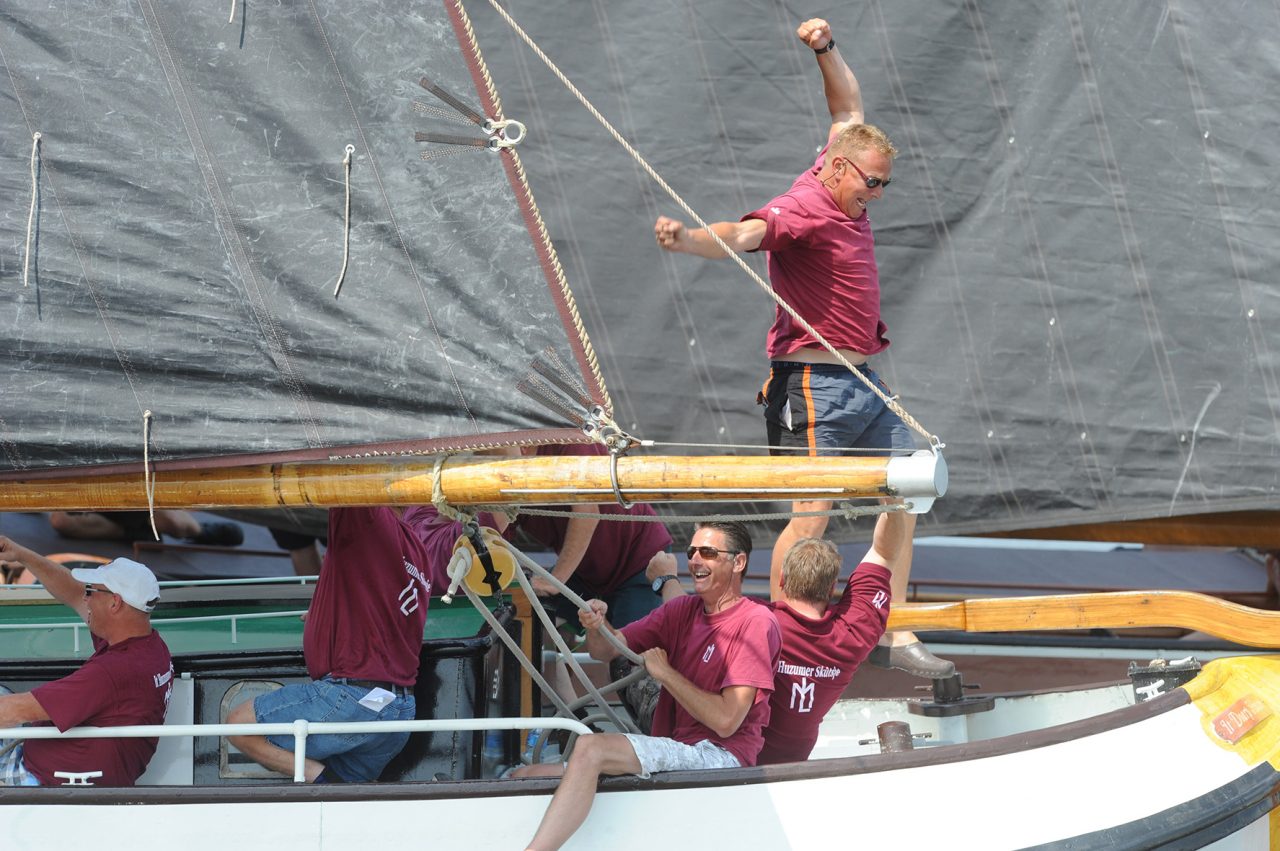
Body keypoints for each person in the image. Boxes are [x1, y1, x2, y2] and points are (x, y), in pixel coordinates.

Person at [654, 17, 950, 678]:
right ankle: (782, 640)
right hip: (813, 384)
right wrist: (689, 241)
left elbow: (847, 104)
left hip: (864, 379)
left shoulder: (845, 163)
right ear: (837, 169)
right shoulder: (806, 207)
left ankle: (890, 628)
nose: (875, 196)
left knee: (904, 491)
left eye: (884, 185)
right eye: (869, 183)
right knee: (809, 515)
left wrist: (826, 48)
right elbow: (743, 233)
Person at [519, 521, 780, 851]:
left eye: (709, 552)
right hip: (678, 747)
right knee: (526, 776)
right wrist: (597, 624)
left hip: (722, 758)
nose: (696, 560)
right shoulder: (682, 610)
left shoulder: (755, 623)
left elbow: (727, 722)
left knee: (591, 747)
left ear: (738, 562)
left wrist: (666, 673)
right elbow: (606, 651)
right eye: (692, 552)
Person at [649, 512, 899, 763]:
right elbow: (883, 554)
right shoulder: (852, 634)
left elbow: (685, 618)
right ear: (833, 586)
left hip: (727, 754)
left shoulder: (756, 621)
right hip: (787, 765)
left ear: (782, 579)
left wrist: (666, 577)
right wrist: (898, 503)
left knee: (628, 668)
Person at [226, 507, 432, 782]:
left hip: (354, 701)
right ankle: (331, 785)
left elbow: (351, 476)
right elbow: (381, 607)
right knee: (343, 800)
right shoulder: (417, 550)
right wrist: (324, 616)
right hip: (397, 708)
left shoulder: (366, 518)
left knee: (240, 725)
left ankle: (320, 779)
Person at [0, 540, 173, 786]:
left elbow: (11, 712)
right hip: (71, 765)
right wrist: (21, 554)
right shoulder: (149, 646)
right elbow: (72, 591)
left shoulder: (112, 672)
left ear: (115, 603)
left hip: (39, 778)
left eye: (90, 591)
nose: (86, 599)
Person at [507, 443, 677, 629]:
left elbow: (587, 516)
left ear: (522, 448)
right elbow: (493, 532)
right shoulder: (501, 480)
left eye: (487, 453)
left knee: (633, 649)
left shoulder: (571, 440)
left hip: (639, 561)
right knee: (525, 614)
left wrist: (553, 581)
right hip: (584, 570)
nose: (480, 458)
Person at [49, 510, 244, 548]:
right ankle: (136, 532)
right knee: (61, 521)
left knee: (172, 523)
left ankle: (201, 531)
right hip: (86, 492)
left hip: (127, 486)